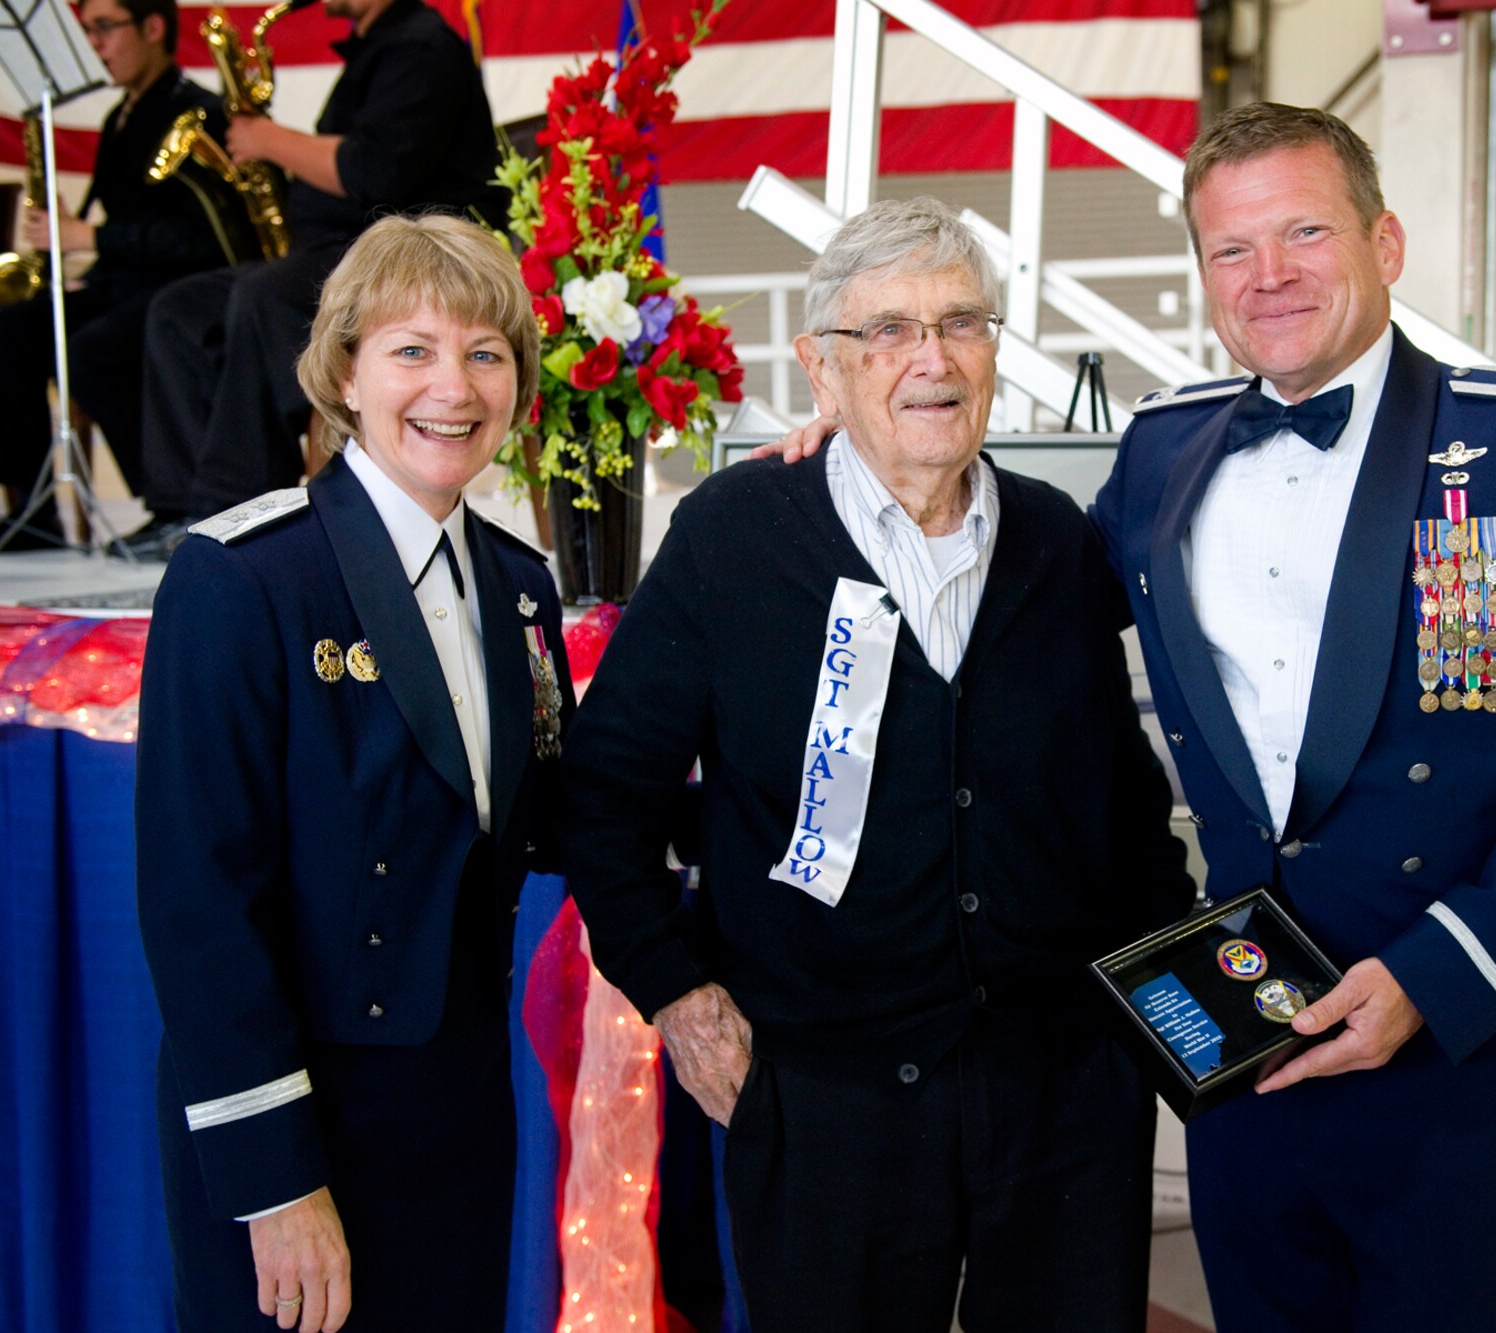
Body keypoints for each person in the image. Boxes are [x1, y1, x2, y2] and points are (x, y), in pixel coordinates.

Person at [1090, 103, 1496, 1329]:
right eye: (1230, 249)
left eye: (1303, 232)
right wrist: (859, 451)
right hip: (1239, 1020)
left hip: (1450, 1032)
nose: (1268, 277)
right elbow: (1029, 605)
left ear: (1385, 241)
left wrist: (1437, 974)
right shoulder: (1159, 451)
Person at [561, 197, 1193, 1333]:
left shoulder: (1057, 540)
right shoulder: (734, 537)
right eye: (888, 331)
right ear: (821, 369)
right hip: (822, 1102)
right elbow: (606, 794)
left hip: (1058, 1096)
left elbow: (1123, 811)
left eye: (960, 323)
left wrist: (1165, 1027)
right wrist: (675, 987)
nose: (931, 359)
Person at [136, 214, 571, 1333]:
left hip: (460, 1118)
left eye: (485, 352)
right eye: (411, 349)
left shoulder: (519, 585)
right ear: (343, 371)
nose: (453, 385)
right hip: (303, 1132)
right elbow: (200, 908)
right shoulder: (244, 579)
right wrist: (276, 1183)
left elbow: (560, 814)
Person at [122, 0, 501, 559]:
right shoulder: (381, 47)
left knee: (265, 296)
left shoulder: (421, 48)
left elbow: (373, 172)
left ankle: (235, 510)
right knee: (181, 308)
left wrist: (265, 139)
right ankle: (178, 507)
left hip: (407, 257)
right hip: (339, 251)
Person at [0, 0, 229, 553]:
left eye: (105, 27)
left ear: (153, 27)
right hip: (120, 285)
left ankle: (169, 506)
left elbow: (200, 238)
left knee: (92, 350)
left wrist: (91, 238)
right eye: (88, 32)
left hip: (182, 291)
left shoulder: (197, 113)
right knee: (9, 330)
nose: (95, 44)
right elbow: (123, 222)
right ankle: (31, 511)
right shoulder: (117, 118)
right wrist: (86, 261)